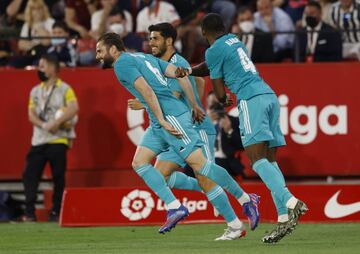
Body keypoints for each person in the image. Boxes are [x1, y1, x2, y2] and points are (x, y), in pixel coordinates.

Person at [95, 32, 260, 235]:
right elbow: (176, 72)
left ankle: (245, 198)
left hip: (170, 117)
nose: (97, 56)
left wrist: (166, 118)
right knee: (140, 163)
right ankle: (175, 207)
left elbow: (148, 91)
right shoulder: (142, 56)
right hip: (159, 122)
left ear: (113, 49)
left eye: (100, 51)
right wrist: (189, 93)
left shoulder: (121, 64)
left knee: (201, 167)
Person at [175, 13, 308, 244]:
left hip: (250, 99)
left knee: (256, 159)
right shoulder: (234, 40)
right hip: (268, 95)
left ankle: (291, 201)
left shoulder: (212, 48)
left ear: (205, 32)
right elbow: (211, 66)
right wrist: (190, 70)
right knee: (270, 160)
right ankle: (284, 216)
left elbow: (217, 89)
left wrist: (221, 97)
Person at [23, 54, 79, 222]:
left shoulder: (65, 89)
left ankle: (56, 211)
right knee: (29, 175)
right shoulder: (35, 90)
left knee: (58, 176)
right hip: (39, 139)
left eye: (42, 66)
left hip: (58, 140)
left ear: (53, 68)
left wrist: (57, 122)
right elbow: (31, 114)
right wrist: (43, 125)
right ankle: (30, 212)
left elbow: (73, 108)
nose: (39, 70)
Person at [206, 92, 245, 178]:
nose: (216, 108)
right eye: (213, 105)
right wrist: (206, 123)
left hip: (225, 161)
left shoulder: (233, 121)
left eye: (218, 105)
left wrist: (229, 131)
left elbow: (242, 146)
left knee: (216, 165)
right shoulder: (201, 122)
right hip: (204, 160)